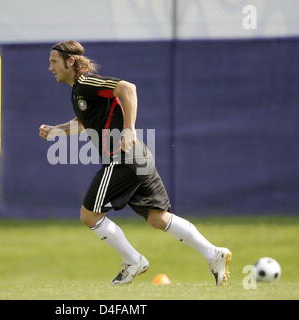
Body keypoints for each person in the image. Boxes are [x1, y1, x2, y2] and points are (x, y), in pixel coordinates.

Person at [39, 40, 232, 286]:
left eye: (53, 61)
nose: (50, 67)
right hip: (138, 157)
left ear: (71, 61)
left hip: (123, 159)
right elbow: (84, 122)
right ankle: (214, 254)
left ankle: (133, 261)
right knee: (158, 218)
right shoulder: (79, 91)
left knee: (89, 216)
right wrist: (57, 130)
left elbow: (127, 88)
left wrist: (129, 129)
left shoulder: (87, 82)